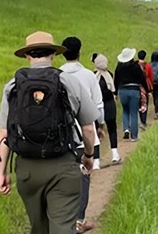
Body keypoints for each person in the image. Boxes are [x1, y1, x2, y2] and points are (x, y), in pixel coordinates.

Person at [0, 31, 98, 234]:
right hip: (63, 167)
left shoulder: (13, 85)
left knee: (39, 228)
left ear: (27, 56)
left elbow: (4, 132)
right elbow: (88, 127)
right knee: (62, 228)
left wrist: (1, 172)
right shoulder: (69, 82)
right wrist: (88, 155)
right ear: (53, 54)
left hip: (27, 170)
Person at [60, 37, 105, 233]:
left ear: (62, 52)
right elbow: (98, 104)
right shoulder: (88, 75)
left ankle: (62, 220)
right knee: (84, 176)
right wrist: (100, 125)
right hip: (87, 132)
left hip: (63, 135)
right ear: (79, 52)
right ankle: (79, 219)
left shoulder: (57, 74)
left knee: (63, 176)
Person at [114, 48, 148, 142]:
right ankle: (134, 136)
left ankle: (126, 129)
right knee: (134, 113)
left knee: (125, 111)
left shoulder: (119, 67)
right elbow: (142, 78)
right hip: (134, 90)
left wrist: (115, 92)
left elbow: (116, 80)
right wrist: (147, 90)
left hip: (122, 90)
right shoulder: (136, 66)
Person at [93, 54, 121, 163]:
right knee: (112, 129)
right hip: (109, 104)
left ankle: (96, 160)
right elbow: (113, 90)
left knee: (96, 132)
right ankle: (115, 153)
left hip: (96, 106)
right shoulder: (109, 74)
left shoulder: (93, 76)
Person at [136, 50, 154, 130]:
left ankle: (141, 120)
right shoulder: (148, 66)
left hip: (136, 87)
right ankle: (143, 121)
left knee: (139, 104)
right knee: (145, 104)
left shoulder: (135, 65)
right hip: (145, 87)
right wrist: (150, 89)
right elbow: (150, 77)